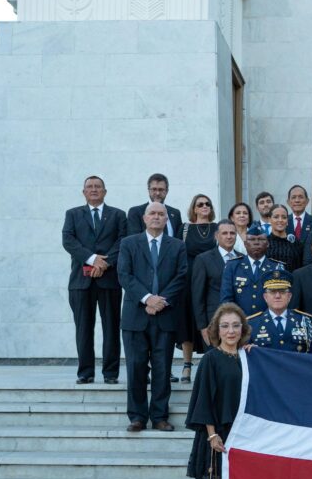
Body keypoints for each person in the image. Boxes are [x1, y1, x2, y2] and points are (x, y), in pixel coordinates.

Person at [186, 302, 249, 479]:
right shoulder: (211, 359)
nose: (231, 331)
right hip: (219, 435)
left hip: (245, 434)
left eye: (236, 325)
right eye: (225, 326)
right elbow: (204, 401)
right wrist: (212, 435)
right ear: (217, 330)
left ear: (243, 328)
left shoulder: (248, 357)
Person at [118, 203, 187, 432]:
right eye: (152, 214)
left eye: (161, 214)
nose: (157, 217)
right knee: (136, 368)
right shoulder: (129, 243)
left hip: (165, 316)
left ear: (167, 219)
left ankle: (159, 416)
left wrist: (160, 301)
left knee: (162, 368)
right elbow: (124, 275)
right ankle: (137, 416)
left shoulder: (177, 246)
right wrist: (147, 298)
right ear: (144, 218)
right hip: (135, 316)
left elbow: (181, 275)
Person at [62, 175, 127, 385]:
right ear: (84, 192)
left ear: (105, 191)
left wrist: (104, 264)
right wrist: (92, 259)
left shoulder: (118, 215)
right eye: (89, 187)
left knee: (111, 327)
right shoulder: (72, 214)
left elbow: (122, 242)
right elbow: (68, 241)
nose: (94, 189)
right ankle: (86, 372)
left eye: (98, 186)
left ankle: (110, 373)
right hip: (81, 283)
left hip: (109, 281)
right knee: (83, 328)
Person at [177, 194, 219, 382]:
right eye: (200, 204)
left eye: (207, 204)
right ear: (194, 208)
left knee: (212, 319)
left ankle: (213, 362)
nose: (204, 206)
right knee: (187, 321)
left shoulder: (218, 228)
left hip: (212, 281)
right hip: (188, 280)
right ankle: (187, 365)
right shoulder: (184, 229)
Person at [191, 220, 242, 350]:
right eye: (225, 233)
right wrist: (202, 326)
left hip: (239, 321)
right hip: (213, 322)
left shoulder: (242, 259)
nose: (229, 236)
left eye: (232, 233)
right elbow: (198, 296)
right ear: (216, 236)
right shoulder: (203, 259)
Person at [219, 223, 284, 315]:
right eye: (252, 239)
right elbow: (226, 300)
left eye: (261, 239)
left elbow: (281, 300)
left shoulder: (276, 267)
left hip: (267, 324)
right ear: (245, 244)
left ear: (268, 243)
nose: (256, 242)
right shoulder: (232, 266)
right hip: (241, 323)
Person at [247, 274, 312, 352]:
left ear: (289, 296)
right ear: (265, 297)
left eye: (282, 292)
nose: (277, 296)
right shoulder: (252, 324)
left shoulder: (304, 321)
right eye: (272, 292)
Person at [126, 173, 183, 238]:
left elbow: (179, 240)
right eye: (154, 189)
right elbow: (133, 240)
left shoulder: (175, 213)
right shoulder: (135, 212)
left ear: (167, 191)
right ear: (149, 190)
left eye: (161, 190)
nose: (157, 193)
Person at [266, 204, 303, 272]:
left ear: (287, 221)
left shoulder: (296, 243)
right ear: (269, 220)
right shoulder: (264, 243)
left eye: (284, 217)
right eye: (276, 217)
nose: (280, 220)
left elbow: (300, 268)